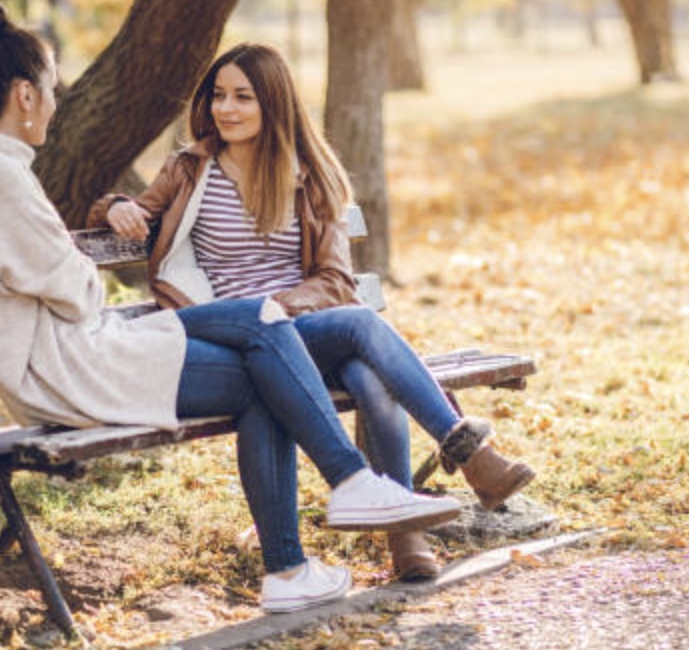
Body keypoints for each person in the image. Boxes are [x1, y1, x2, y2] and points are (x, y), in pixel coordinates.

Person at [0, 5, 463, 614]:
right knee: (267, 360)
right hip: (76, 366)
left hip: (78, 354)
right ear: (24, 94)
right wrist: (88, 251)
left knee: (262, 327)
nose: (54, 103)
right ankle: (331, 508)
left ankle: (313, 540)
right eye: (50, 90)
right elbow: (79, 292)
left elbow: (48, 277)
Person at [89, 42, 537, 582]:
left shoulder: (310, 176)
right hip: (234, 336)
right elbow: (125, 208)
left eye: (242, 98)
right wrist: (115, 207)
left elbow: (335, 281)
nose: (224, 110)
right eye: (218, 96)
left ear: (273, 104)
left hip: (301, 326)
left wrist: (282, 306)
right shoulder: (189, 169)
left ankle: (409, 525)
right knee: (363, 336)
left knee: (369, 372)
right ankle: (462, 466)